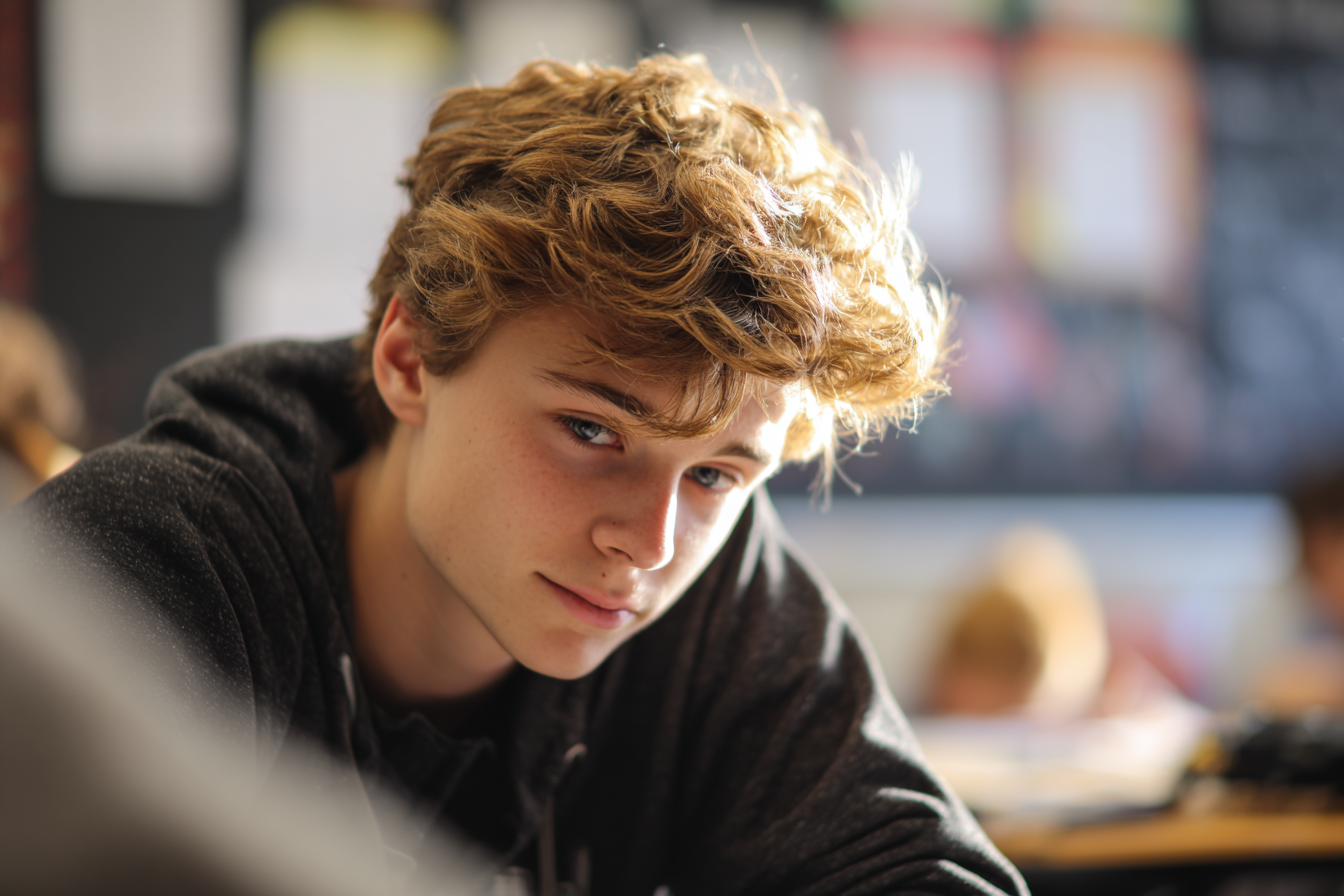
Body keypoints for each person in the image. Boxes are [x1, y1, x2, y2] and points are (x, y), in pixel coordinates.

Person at [5, 56, 1026, 895]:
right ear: (409, 360)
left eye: (719, 473)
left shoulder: (712, 587)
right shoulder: (148, 560)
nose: (651, 540)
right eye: (591, 428)